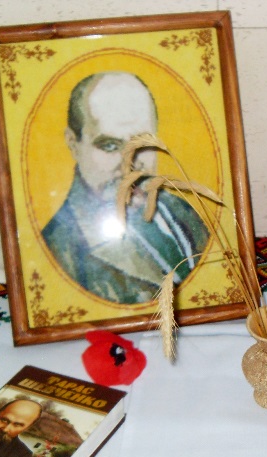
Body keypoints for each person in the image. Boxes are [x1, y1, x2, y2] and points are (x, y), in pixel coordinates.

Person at [42, 71, 210, 304]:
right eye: (110, 145)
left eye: (143, 143)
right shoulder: (57, 251)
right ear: (73, 144)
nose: (130, 164)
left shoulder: (180, 210)